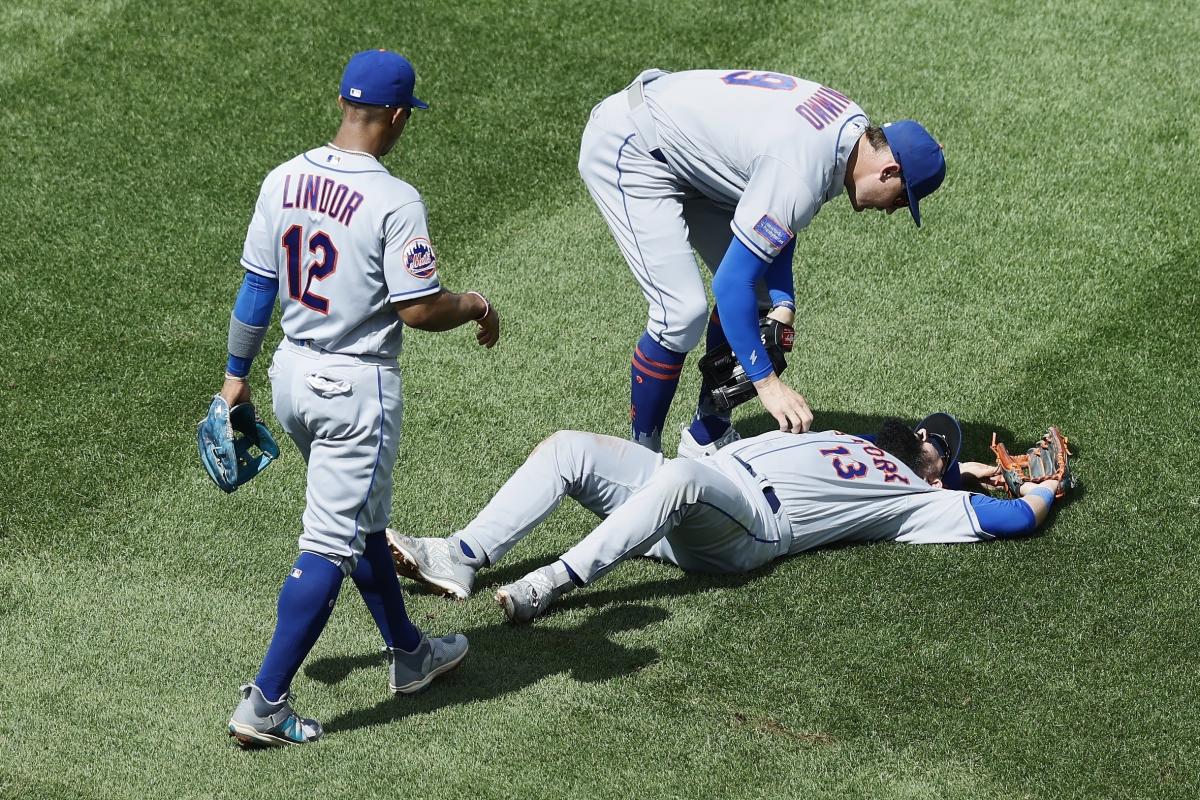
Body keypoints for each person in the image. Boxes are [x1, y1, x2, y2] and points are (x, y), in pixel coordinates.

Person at [218, 49, 500, 747]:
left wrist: (234, 376)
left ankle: (409, 654)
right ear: (398, 117)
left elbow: (258, 286)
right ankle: (265, 703)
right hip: (354, 391)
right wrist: (474, 305)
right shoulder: (394, 199)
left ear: (345, 104)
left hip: (289, 374)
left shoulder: (283, 176)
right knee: (328, 543)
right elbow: (417, 308)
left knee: (363, 519)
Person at [576, 69, 946, 456]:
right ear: (890, 171)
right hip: (633, 145)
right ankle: (639, 460)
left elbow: (781, 216)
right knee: (681, 313)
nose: (891, 211)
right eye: (902, 199)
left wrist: (784, 301)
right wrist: (768, 385)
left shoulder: (853, 134)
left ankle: (708, 432)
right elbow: (732, 282)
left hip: (690, 152)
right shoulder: (804, 168)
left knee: (763, 302)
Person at [386, 414, 1068, 623]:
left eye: (936, 444)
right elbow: (703, 441)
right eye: (930, 434)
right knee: (568, 448)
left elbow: (1008, 522)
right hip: (693, 494)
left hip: (743, 530)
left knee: (681, 479)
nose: (924, 435)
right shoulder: (839, 438)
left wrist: (1044, 490)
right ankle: (461, 555)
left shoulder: (918, 500)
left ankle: (552, 584)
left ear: (934, 465)